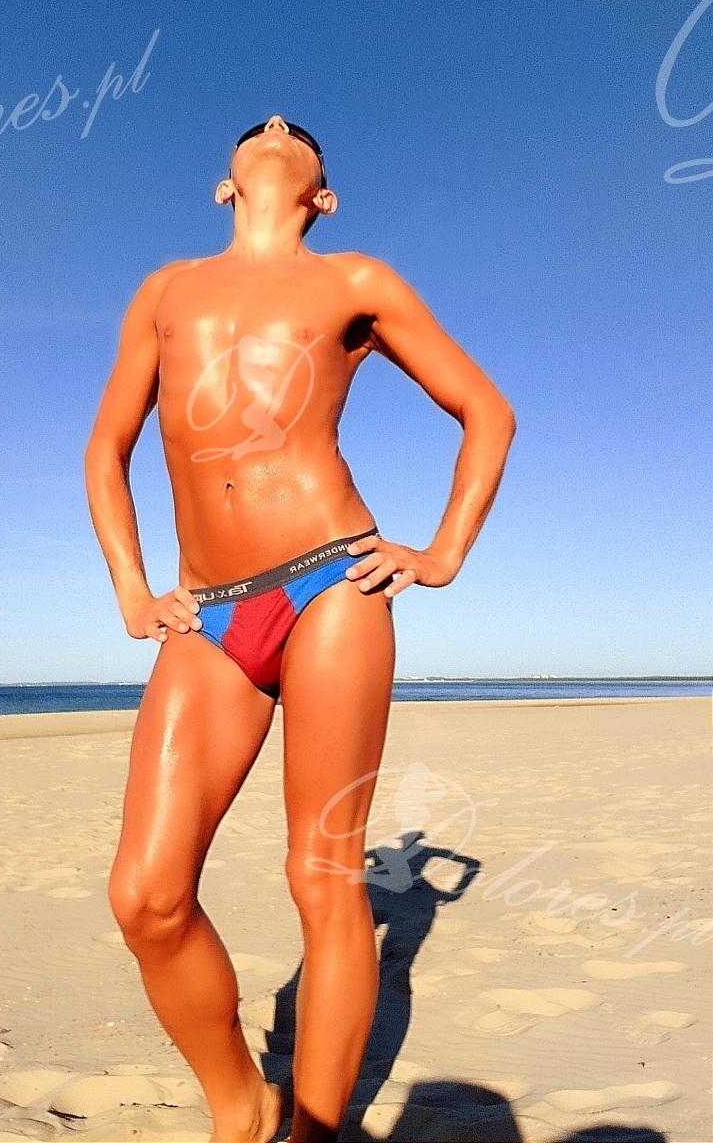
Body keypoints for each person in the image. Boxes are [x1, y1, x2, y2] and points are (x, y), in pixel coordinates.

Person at [83, 114, 516, 1143]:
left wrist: (442, 551)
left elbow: (486, 411)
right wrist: (132, 590)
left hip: (331, 581)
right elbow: (107, 447)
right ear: (222, 187)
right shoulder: (166, 288)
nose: (276, 126)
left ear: (323, 196)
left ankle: (317, 1133)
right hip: (206, 614)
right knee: (145, 897)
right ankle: (242, 1106)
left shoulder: (354, 280)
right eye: (258, 129)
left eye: (297, 133)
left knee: (321, 878)